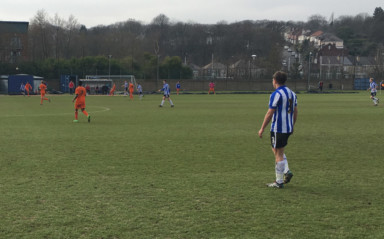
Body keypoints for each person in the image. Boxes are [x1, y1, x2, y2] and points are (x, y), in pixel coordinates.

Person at [258, 71, 298, 189]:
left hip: (278, 127)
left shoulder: (276, 94)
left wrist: (262, 128)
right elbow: (295, 112)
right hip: (288, 128)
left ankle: (279, 182)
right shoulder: (292, 93)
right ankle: (286, 171)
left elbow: (270, 112)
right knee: (276, 149)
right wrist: (292, 125)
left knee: (278, 153)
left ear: (275, 80)